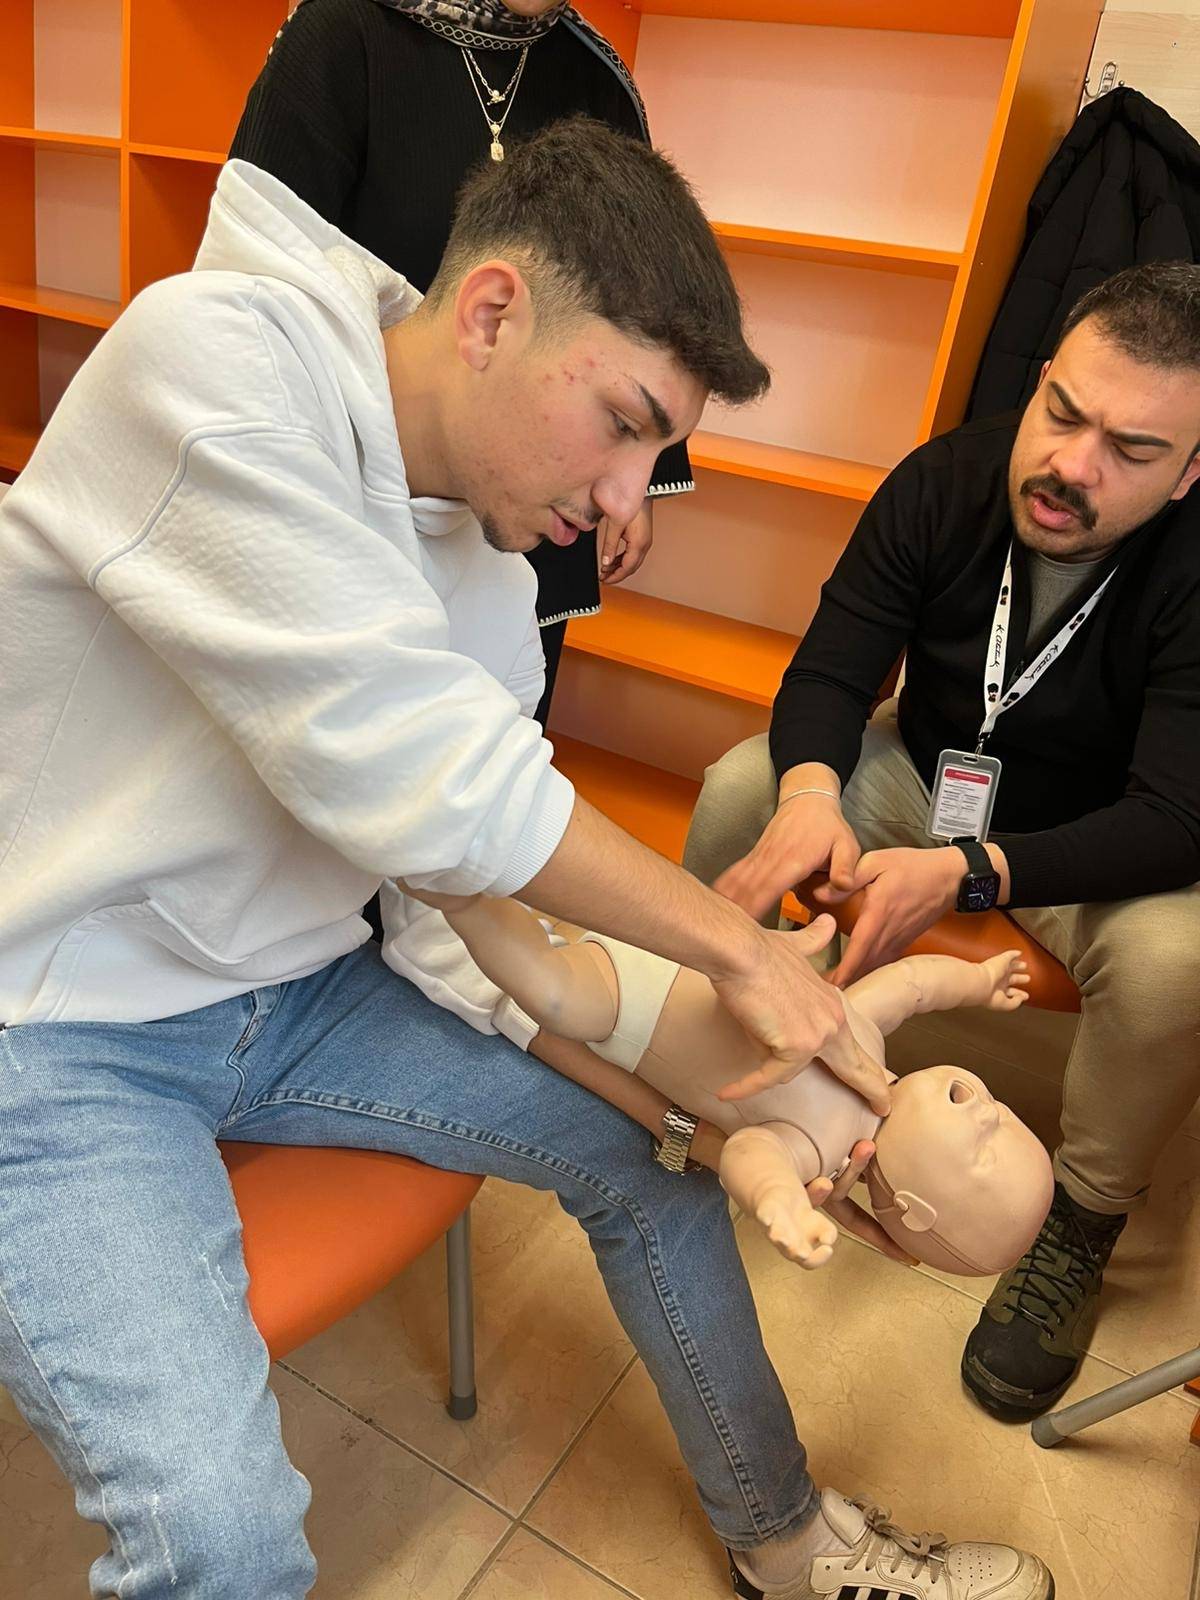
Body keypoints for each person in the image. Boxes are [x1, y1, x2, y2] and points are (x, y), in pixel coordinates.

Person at [0, 120, 1055, 1600]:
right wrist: (734, 948)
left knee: (660, 1176)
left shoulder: (491, 569)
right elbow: (431, 788)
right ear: (493, 312)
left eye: (659, 455)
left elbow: (456, 924)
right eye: (624, 425)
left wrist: (679, 1118)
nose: (631, 503)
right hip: (55, 1028)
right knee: (224, 1541)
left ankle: (788, 1542)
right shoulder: (218, 369)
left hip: (298, 992)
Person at [683, 261, 1200, 1424]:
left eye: (1131, 449)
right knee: (739, 792)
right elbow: (828, 666)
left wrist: (979, 870)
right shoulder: (947, 480)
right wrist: (814, 789)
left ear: (1192, 472)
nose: (1071, 465)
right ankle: (677, 1062)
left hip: (1093, 834)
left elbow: (1178, 819)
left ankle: (1078, 1220)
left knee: (1178, 965)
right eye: (1062, 411)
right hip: (922, 775)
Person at [230, 0, 695, 729]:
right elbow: (258, 267)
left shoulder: (600, 81)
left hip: (542, 461)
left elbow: (650, 308)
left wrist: (643, 472)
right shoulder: (341, 33)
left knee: (494, 716)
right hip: (355, 461)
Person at [387, 881, 1054, 1276]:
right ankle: (472, 874)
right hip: (664, 941)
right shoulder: (868, 1046)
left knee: (555, 995)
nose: (989, 1110)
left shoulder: (814, 1149)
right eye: (1005, 1113)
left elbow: (745, 1155)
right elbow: (911, 984)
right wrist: (976, 980)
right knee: (558, 903)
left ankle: (452, 892)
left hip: (624, 1003)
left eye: (986, 1145)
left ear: (914, 1209)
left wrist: (778, 1202)